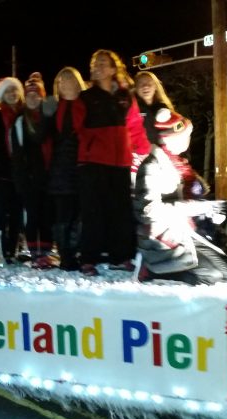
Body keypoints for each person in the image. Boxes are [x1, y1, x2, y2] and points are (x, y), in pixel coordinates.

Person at [135, 109, 227, 285]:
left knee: (226, 274)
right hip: (163, 240)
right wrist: (196, 207)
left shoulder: (178, 164)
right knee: (212, 276)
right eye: (184, 135)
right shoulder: (152, 167)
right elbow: (147, 211)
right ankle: (151, 272)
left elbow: (189, 200)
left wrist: (208, 211)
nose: (188, 139)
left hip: (185, 233)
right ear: (169, 137)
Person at [76, 50, 151, 275]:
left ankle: (122, 256)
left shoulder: (125, 96)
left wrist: (144, 149)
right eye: (94, 63)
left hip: (121, 162)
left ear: (112, 69)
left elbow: (135, 125)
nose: (97, 67)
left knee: (120, 211)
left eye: (102, 63)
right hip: (93, 162)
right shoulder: (86, 97)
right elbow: (77, 129)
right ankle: (89, 258)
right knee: (93, 211)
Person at [11, 72, 54, 269]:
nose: (33, 98)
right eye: (29, 95)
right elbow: (17, 153)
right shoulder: (20, 121)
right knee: (33, 215)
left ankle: (45, 252)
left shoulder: (48, 118)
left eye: (37, 95)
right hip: (29, 177)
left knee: (47, 215)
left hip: (48, 175)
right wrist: (22, 178)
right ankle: (35, 252)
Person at [48, 67, 87, 271]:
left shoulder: (86, 104)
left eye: (70, 78)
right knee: (63, 216)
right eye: (61, 80)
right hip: (60, 169)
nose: (66, 82)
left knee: (80, 215)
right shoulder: (53, 108)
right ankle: (66, 256)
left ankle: (78, 252)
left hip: (82, 166)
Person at [0, 77, 24, 263]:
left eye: (15, 91)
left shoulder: (23, 116)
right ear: (2, 95)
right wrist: (5, 166)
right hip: (2, 175)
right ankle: (2, 251)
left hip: (20, 175)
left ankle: (13, 250)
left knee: (17, 214)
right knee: (1, 215)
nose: (12, 94)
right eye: (8, 91)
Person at [133, 71, 175, 147]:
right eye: (141, 83)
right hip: (140, 155)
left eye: (149, 83)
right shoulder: (131, 109)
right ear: (136, 88)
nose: (145, 86)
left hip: (162, 155)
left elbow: (176, 131)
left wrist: (184, 156)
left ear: (155, 86)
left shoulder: (164, 109)